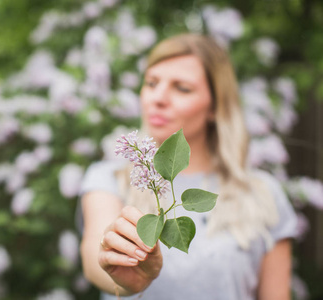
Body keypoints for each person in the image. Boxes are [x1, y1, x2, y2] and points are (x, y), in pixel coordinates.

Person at [79, 34, 297, 300]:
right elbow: (94, 260)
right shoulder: (110, 180)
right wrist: (127, 278)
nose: (158, 98)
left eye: (181, 88)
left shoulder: (263, 194)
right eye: (151, 83)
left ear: (215, 106)